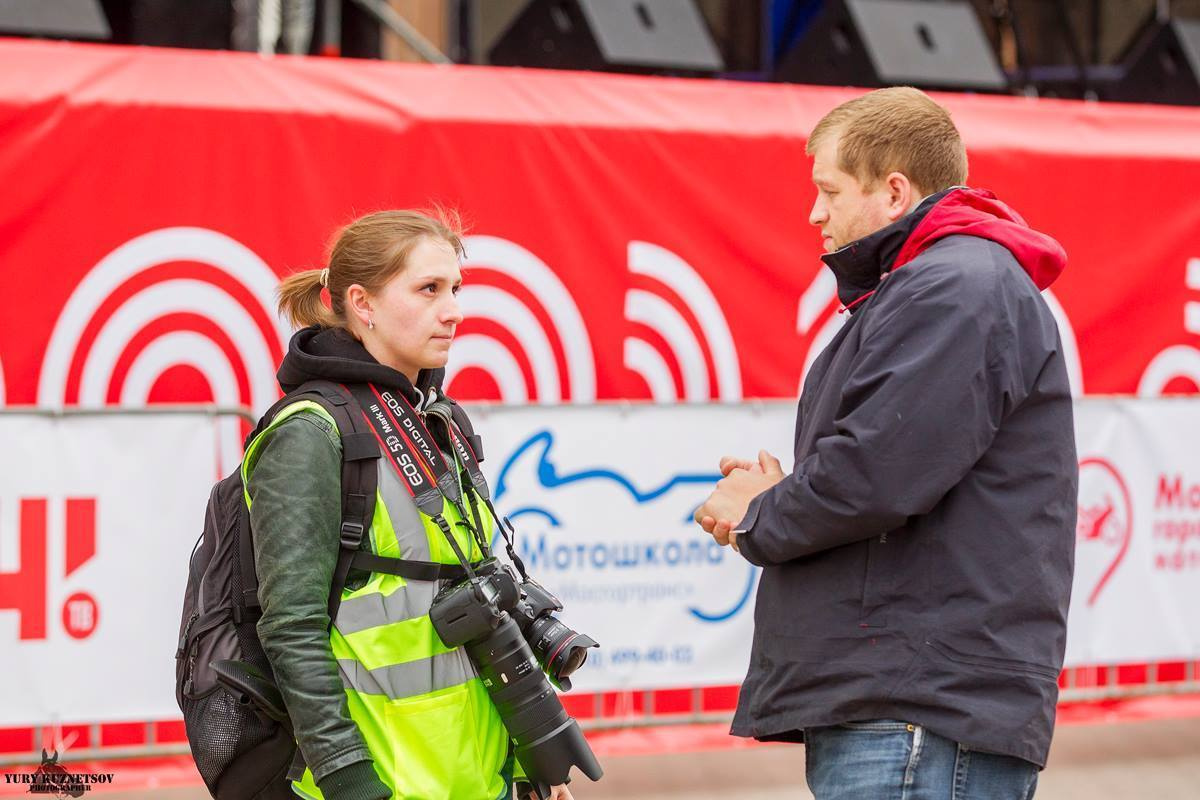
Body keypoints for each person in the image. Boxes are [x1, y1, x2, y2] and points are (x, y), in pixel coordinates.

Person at [694, 87, 1076, 799]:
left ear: (895, 191)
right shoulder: (950, 283)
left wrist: (760, 512)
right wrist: (783, 496)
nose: (815, 212)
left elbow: (875, 474)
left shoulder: (955, 287)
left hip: (919, 713)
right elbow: (885, 466)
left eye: (829, 190)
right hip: (918, 705)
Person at [252, 209, 573, 800]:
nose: (453, 310)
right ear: (362, 303)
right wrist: (350, 783)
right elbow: (290, 629)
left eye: (455, 289)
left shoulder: (436, 419)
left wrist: (530, 767)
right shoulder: (311, 433)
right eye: (428, 289)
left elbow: (479, 602)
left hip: (480, 779)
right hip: (379, 786)